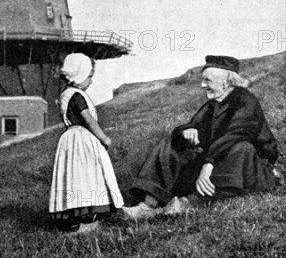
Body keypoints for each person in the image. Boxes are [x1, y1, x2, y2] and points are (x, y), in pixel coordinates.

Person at [123, 55, 279, 219]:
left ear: (225, 82)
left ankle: (188, 203)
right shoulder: (212, 104)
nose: (202, 85)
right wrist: (187, 131)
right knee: (169, 144)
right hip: (216, 158)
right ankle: (148, 204)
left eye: (207, 80)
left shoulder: (246, 101)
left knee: (241, 148)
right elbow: (192, 124)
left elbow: (233, 136)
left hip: (253, 166)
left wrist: (208, 165)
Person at [49, 53, 124, 233]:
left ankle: (75, 218)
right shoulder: (77, 96)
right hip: (82, 140)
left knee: (74, 178)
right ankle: (86, 219)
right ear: (79, 75)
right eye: (89, 76)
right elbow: (89, 120)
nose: (91, 81)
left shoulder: (66, 94)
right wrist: (104, 138)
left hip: (70, 140)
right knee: (86, 177)